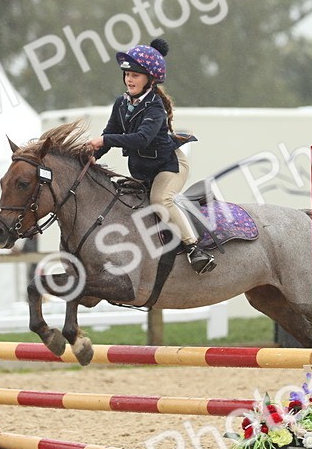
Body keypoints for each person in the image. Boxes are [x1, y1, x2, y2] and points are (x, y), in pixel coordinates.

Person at [88, 38, 216, 274]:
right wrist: (91, 156)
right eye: (127, 74)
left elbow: (141, 139)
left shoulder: (155, 107)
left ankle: (194, 248)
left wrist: (105, 141)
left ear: (150, 79)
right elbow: (111, 132)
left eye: (135, 75)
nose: (129, 79)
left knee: (160, 200)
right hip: (144, 170)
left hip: (170, 167)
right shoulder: (121, 103)